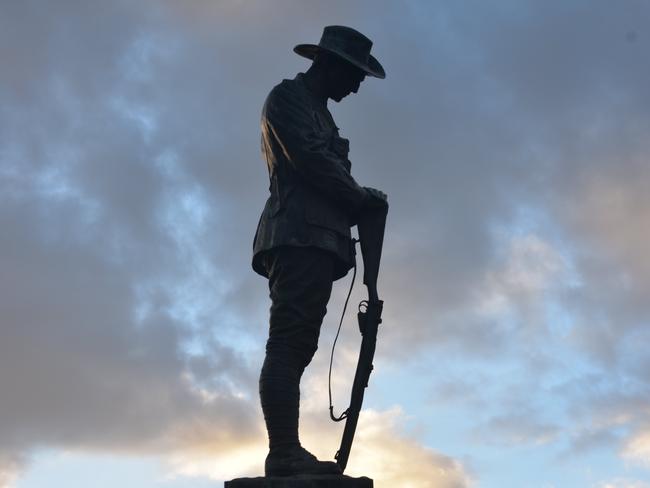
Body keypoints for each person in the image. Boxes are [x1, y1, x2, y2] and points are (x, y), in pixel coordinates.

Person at [252, 25, 388, 477]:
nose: (356, 86)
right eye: (355, 76)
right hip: (298, 235)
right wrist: (359, 196)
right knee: (289, 344)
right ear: (330, 65)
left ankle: (288, 448)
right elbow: (311, 161)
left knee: (299, 346)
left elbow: (327, 170)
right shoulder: (287, 99)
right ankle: (284, 451)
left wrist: (358, 197)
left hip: (317, 239)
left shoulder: (321, 112)